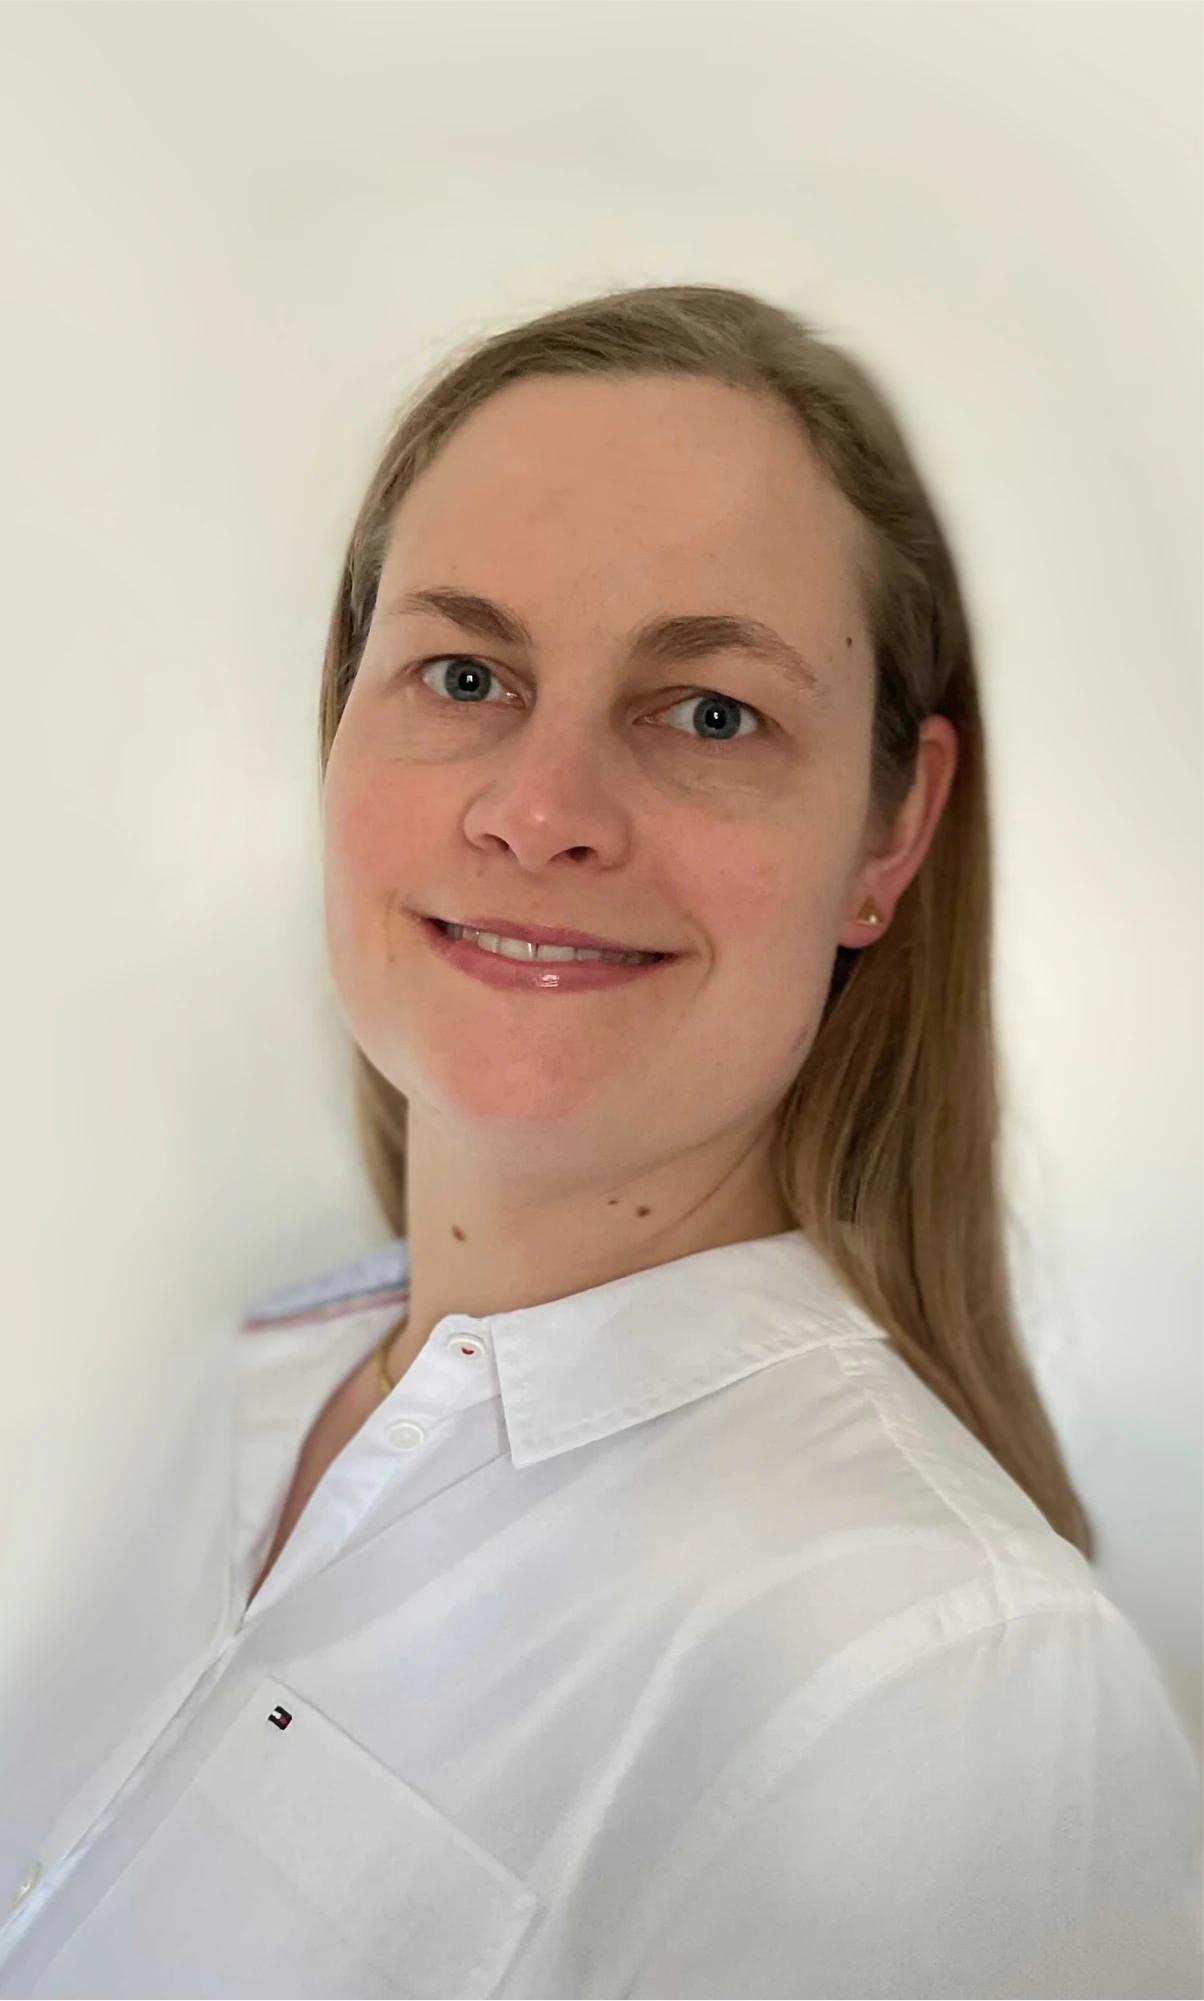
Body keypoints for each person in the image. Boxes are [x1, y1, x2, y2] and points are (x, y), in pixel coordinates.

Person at [3, 283, 1199, 1999]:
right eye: (467, 673)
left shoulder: (949, 1687)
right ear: (339, 727)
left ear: (893, 827)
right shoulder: (215, 1399)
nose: (542, 809)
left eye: (709, 711)